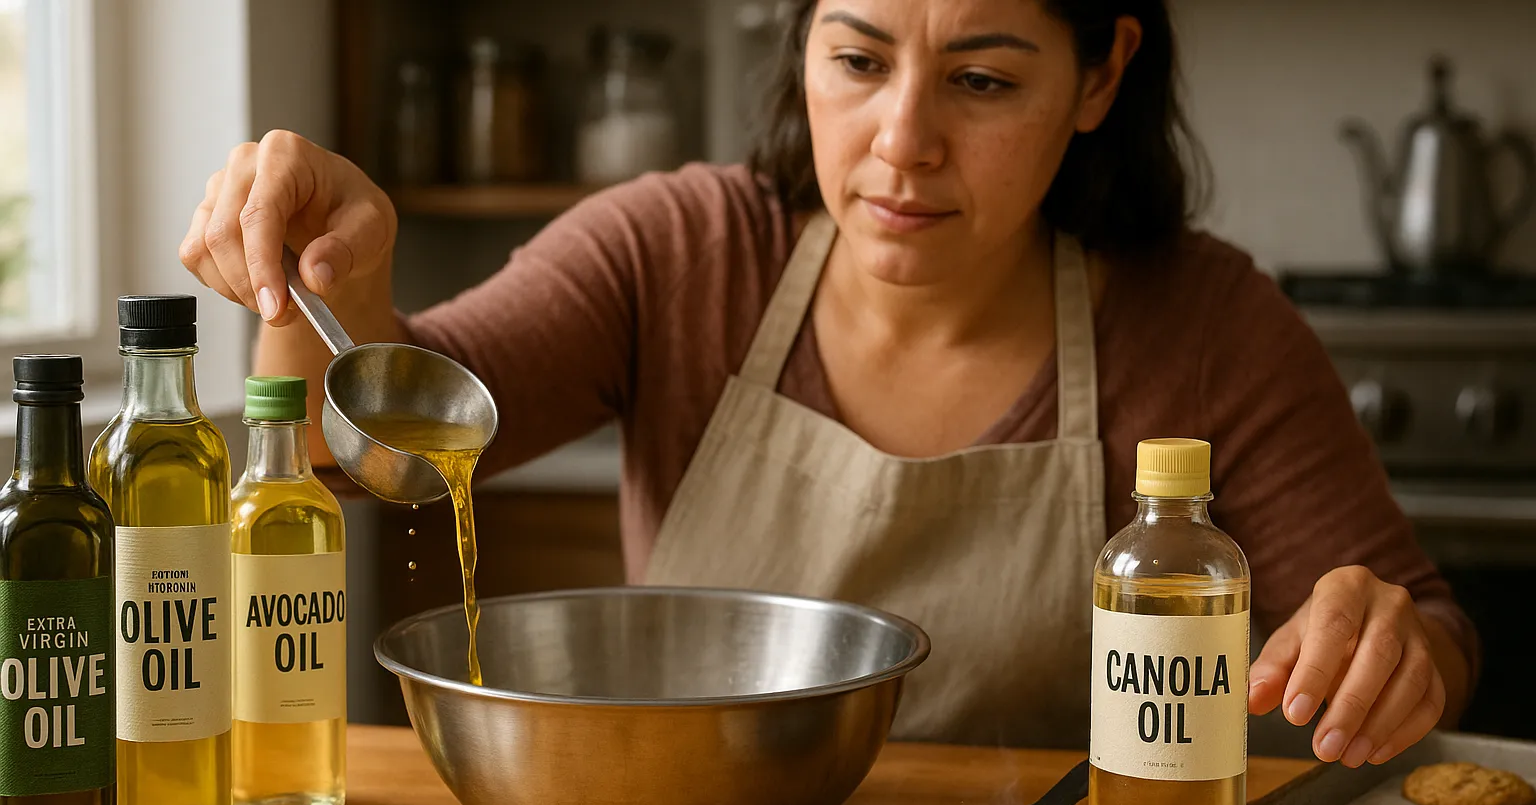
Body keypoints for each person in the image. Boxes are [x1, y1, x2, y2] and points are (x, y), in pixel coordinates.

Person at [181, 0, 1474, 762]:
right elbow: (360, 452)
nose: (902, 144)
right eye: (857, 63)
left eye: (980, 80)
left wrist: (1393, 648)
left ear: (1101, 77)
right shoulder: (679, 253)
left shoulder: (1206, 324)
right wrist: (325, 290)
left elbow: (1429, 630)